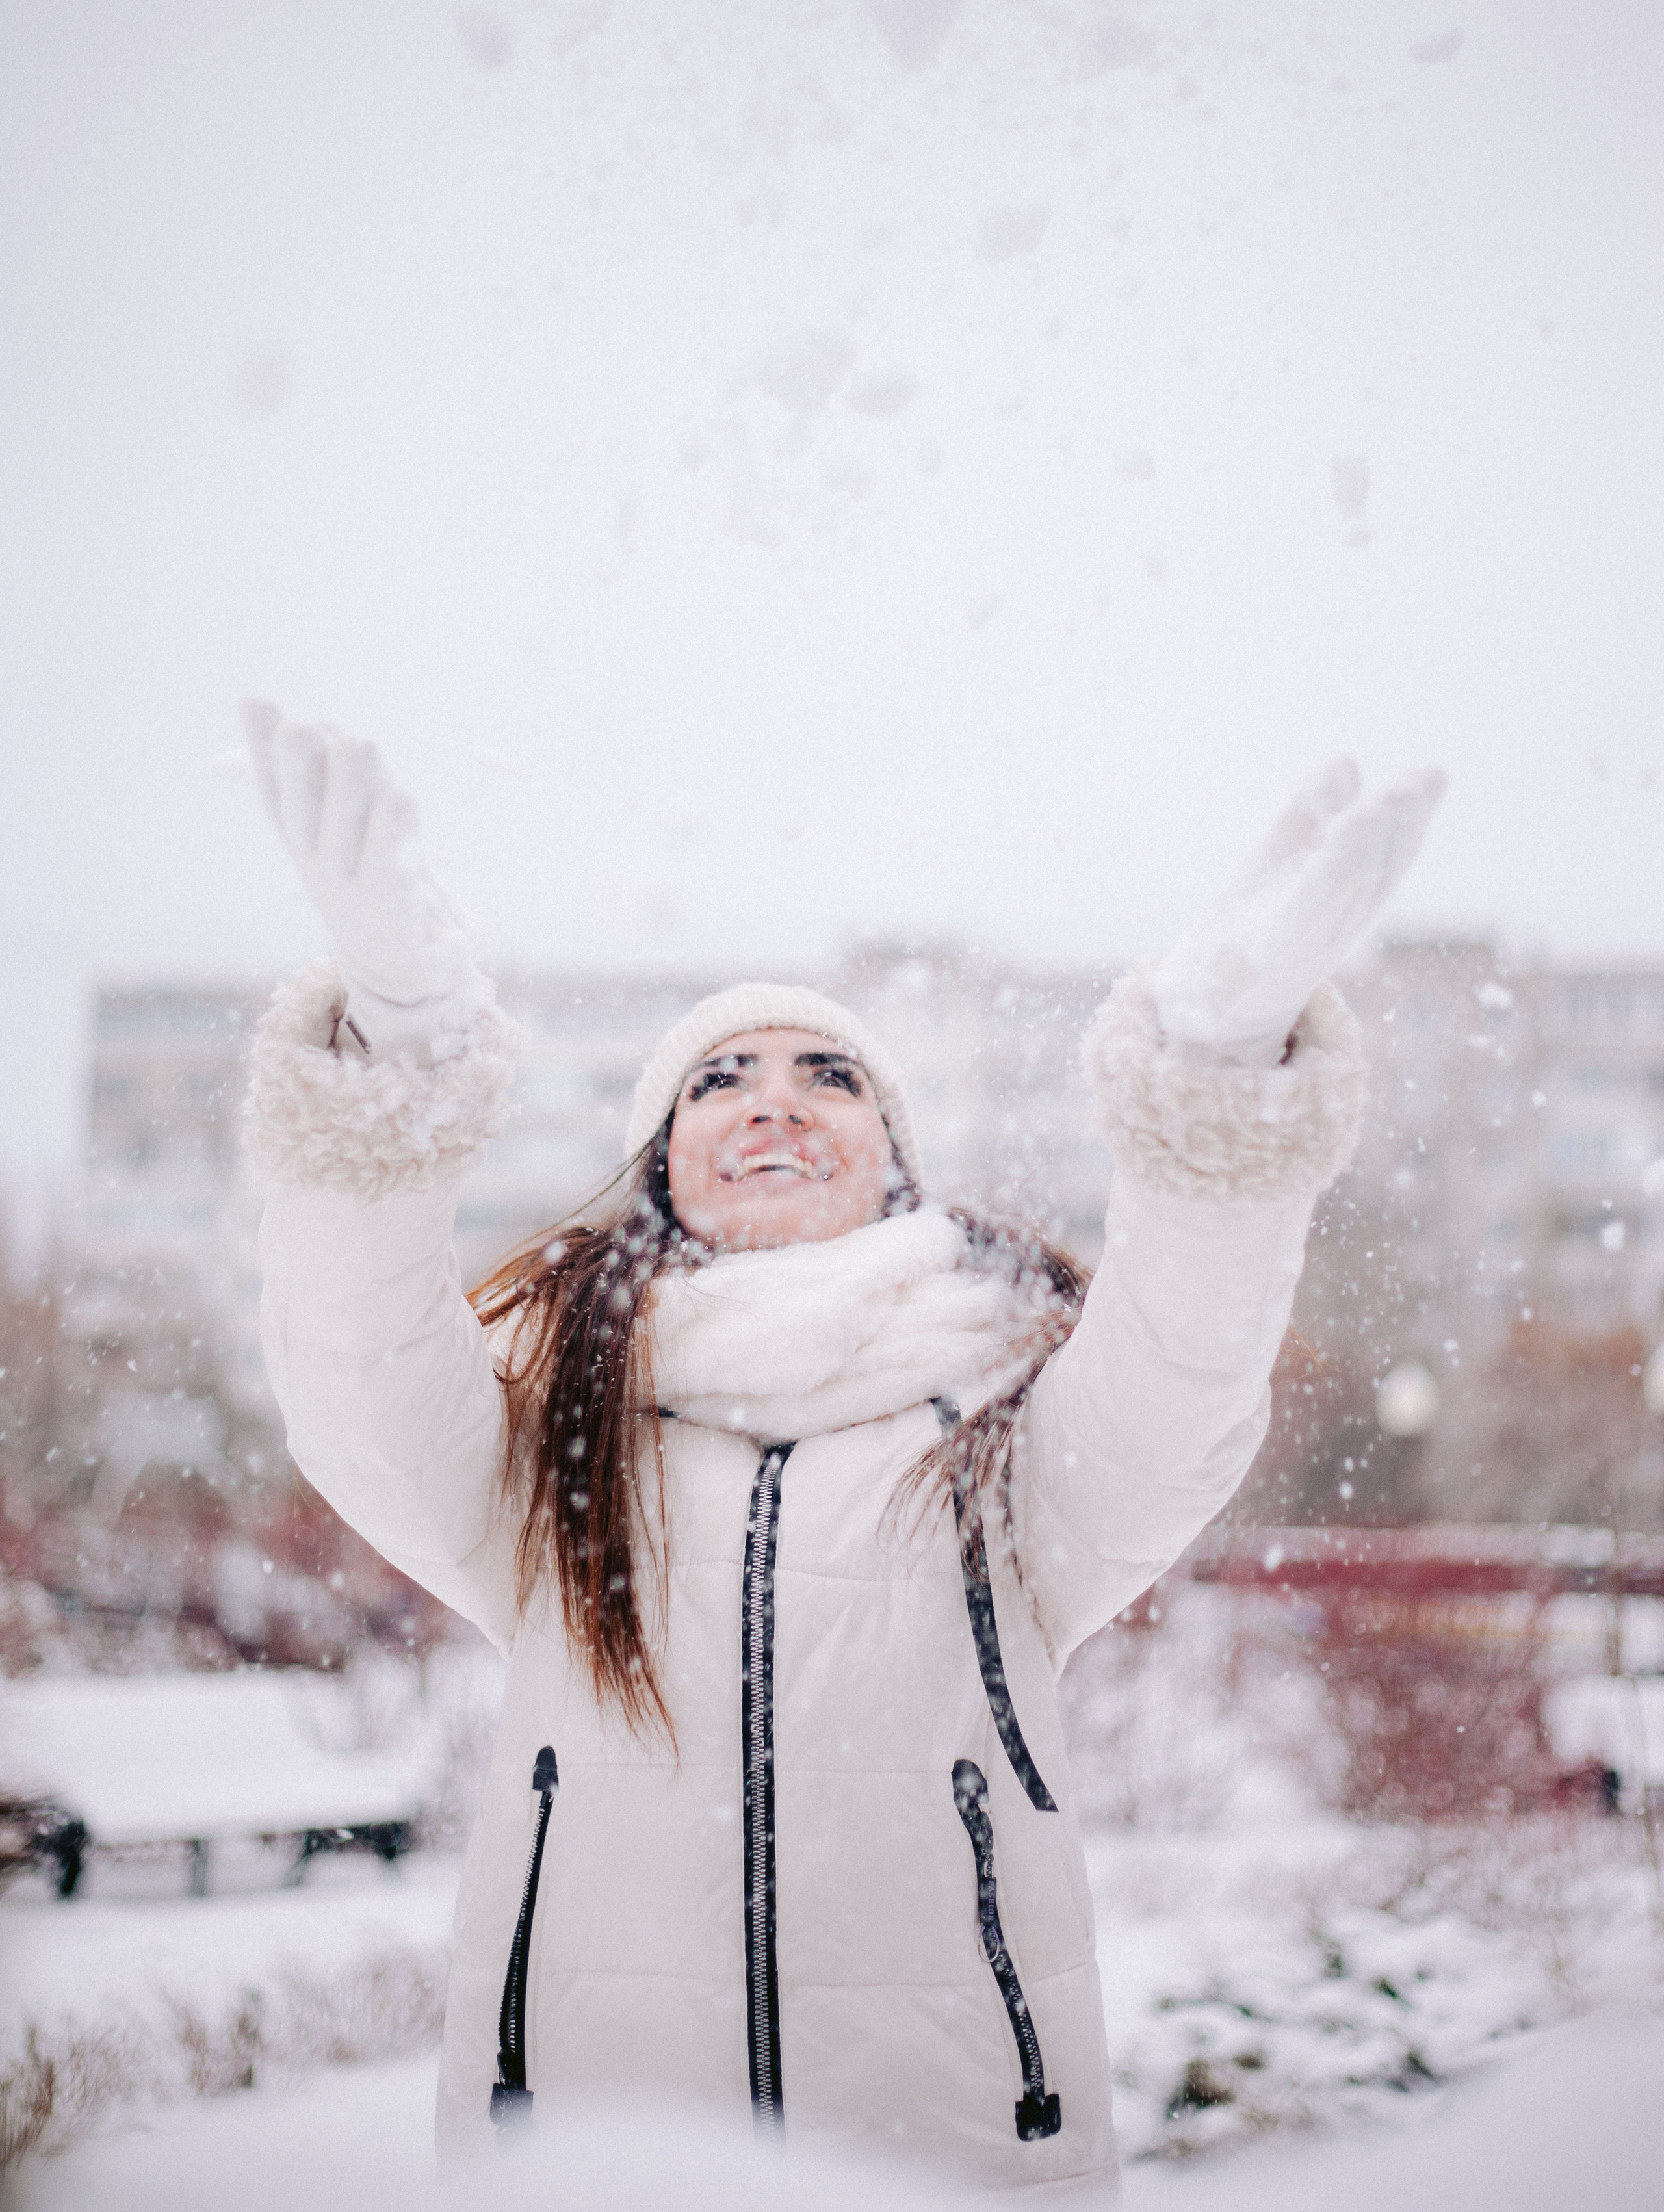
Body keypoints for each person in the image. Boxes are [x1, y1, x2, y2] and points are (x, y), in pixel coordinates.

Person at [240, 702, 1441, 2204]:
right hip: (590, 2157)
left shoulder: (1005, 1438)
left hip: (952, 2157)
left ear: (892, 1157)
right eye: (719, 1077)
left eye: (829, 1073)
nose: (774, 1104)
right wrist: (391, 1062)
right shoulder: (552, 1448)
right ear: (662, 1161)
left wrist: (1213, 1088)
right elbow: (357, 1379)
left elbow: (1185, 1378)